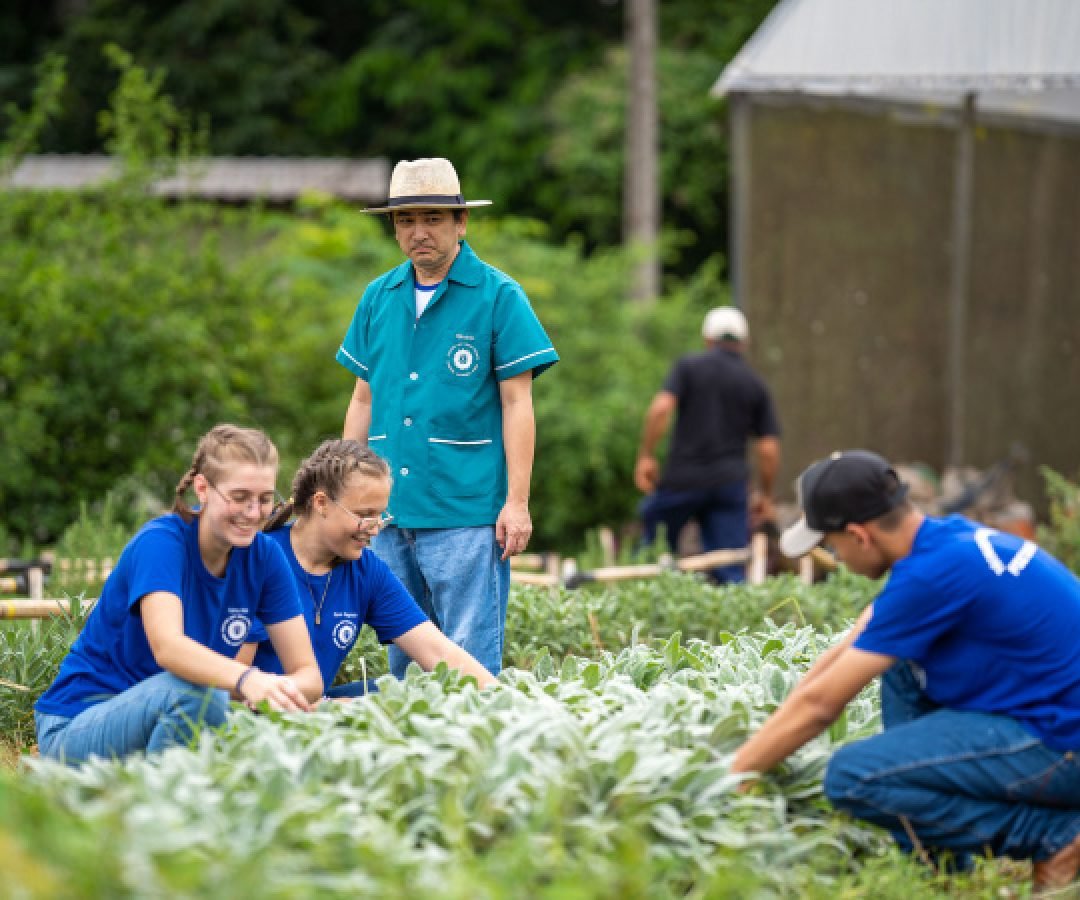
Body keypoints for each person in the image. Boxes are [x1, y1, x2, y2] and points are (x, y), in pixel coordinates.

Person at [730, 449, 1080, 892]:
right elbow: (849, 650)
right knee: (899, 666)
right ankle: (940, 867)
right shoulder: (947, 542)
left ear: (859, 535)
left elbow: (822, 706)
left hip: (1064, 745)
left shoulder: (931, 576)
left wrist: (733, 777)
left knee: (853, 777)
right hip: (1056, 720)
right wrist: (771, 729)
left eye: (830, 545)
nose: (834, 558)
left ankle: (1053, 836)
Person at [337, 157, 558, 678]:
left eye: (433, 218)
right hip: (389, 511)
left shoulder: (498, 295)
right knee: (403, 658)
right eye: (406, 221)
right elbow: (362, 401)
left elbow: (517, 404)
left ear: (461, 222)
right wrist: (348, 491)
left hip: (467, 511)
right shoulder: (379, 296)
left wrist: (518, 503)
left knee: (469, 662)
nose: (420, 233)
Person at [34, 424, 322, 764]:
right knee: (199, 696)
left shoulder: (265, 557)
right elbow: (167, 648)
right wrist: (247, 679)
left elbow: (309, 675)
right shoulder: (161, 543)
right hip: (77, 724)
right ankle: (161, 809)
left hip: (173, 713)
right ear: (202, 488)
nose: (254, 513)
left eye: (264, 499)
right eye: (240, 497)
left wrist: (276, 692)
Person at [241, 439, 497, 694]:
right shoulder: (259, 559)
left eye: (380, 515)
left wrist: (509, 699)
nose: (374, 529)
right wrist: (326, 707)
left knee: (407, 691)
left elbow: (437, 651)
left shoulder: (366, 570)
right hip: (253, 708)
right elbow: (235, 682)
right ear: (321, 503)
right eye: (364, 515)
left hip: (314, 705)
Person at [634, 306, 780, 583]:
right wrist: (766, 495)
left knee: (654, 554)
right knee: (730, 567)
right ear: (743, 343)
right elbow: (768, 448)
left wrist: (646, 456)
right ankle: (736, 622)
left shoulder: (688, 367)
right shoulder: (754, 384)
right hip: (729, 485)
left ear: (708, 339)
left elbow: (661, 409)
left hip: (683, 479)